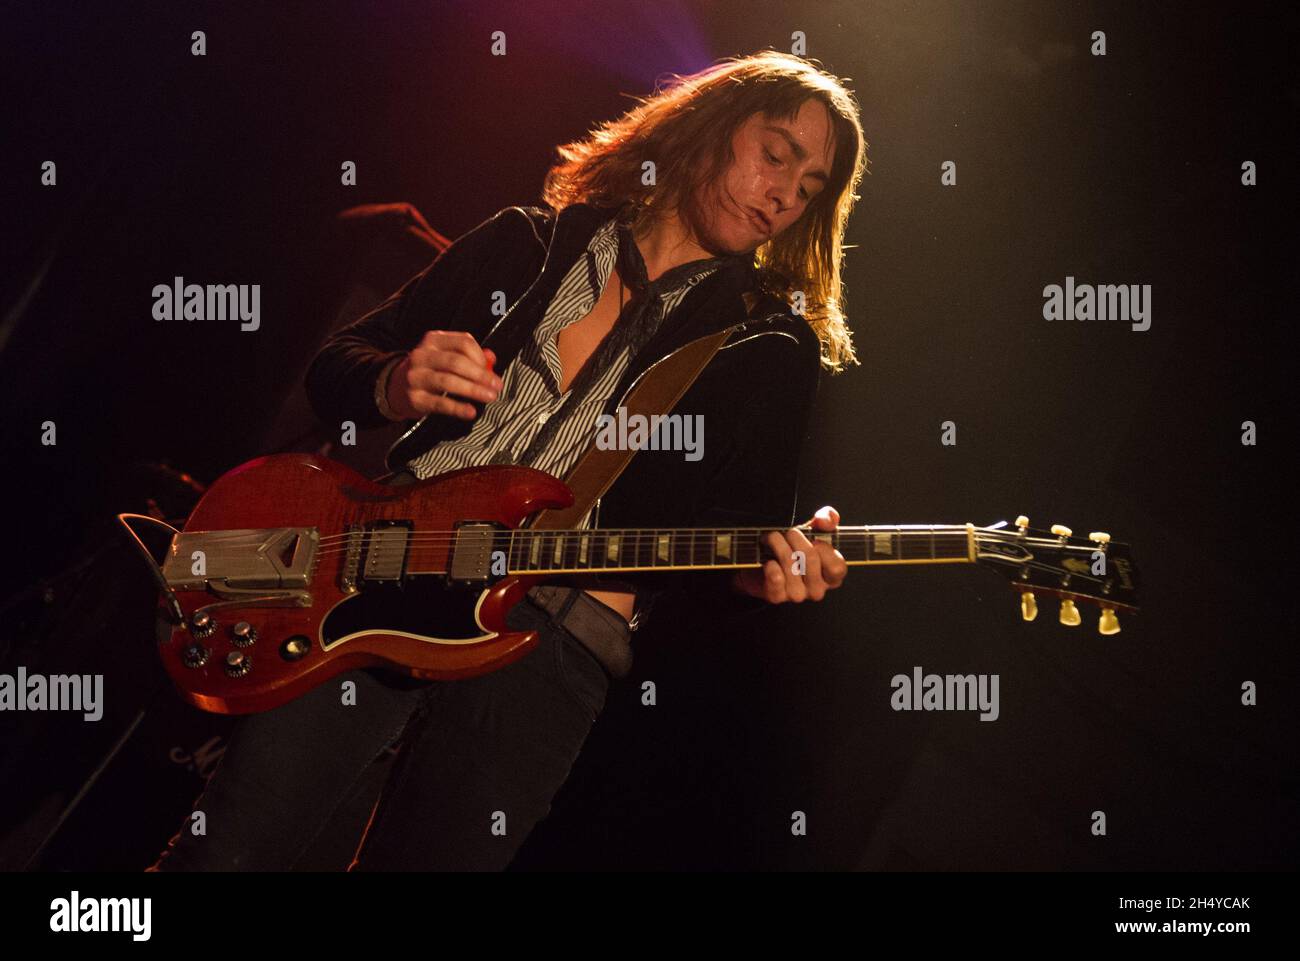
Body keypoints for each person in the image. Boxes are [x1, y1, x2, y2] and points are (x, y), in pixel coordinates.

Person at [148, 49, 866, 872]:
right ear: (704, 130)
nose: (784, 195)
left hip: (548, 649)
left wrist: (766, 572)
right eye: (776, 154)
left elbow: (733, 539)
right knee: (229, 853)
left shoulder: (767, 346)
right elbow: (337, 363)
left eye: (809, 189)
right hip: (377, 583)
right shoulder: (525, 245)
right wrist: (394, 378)